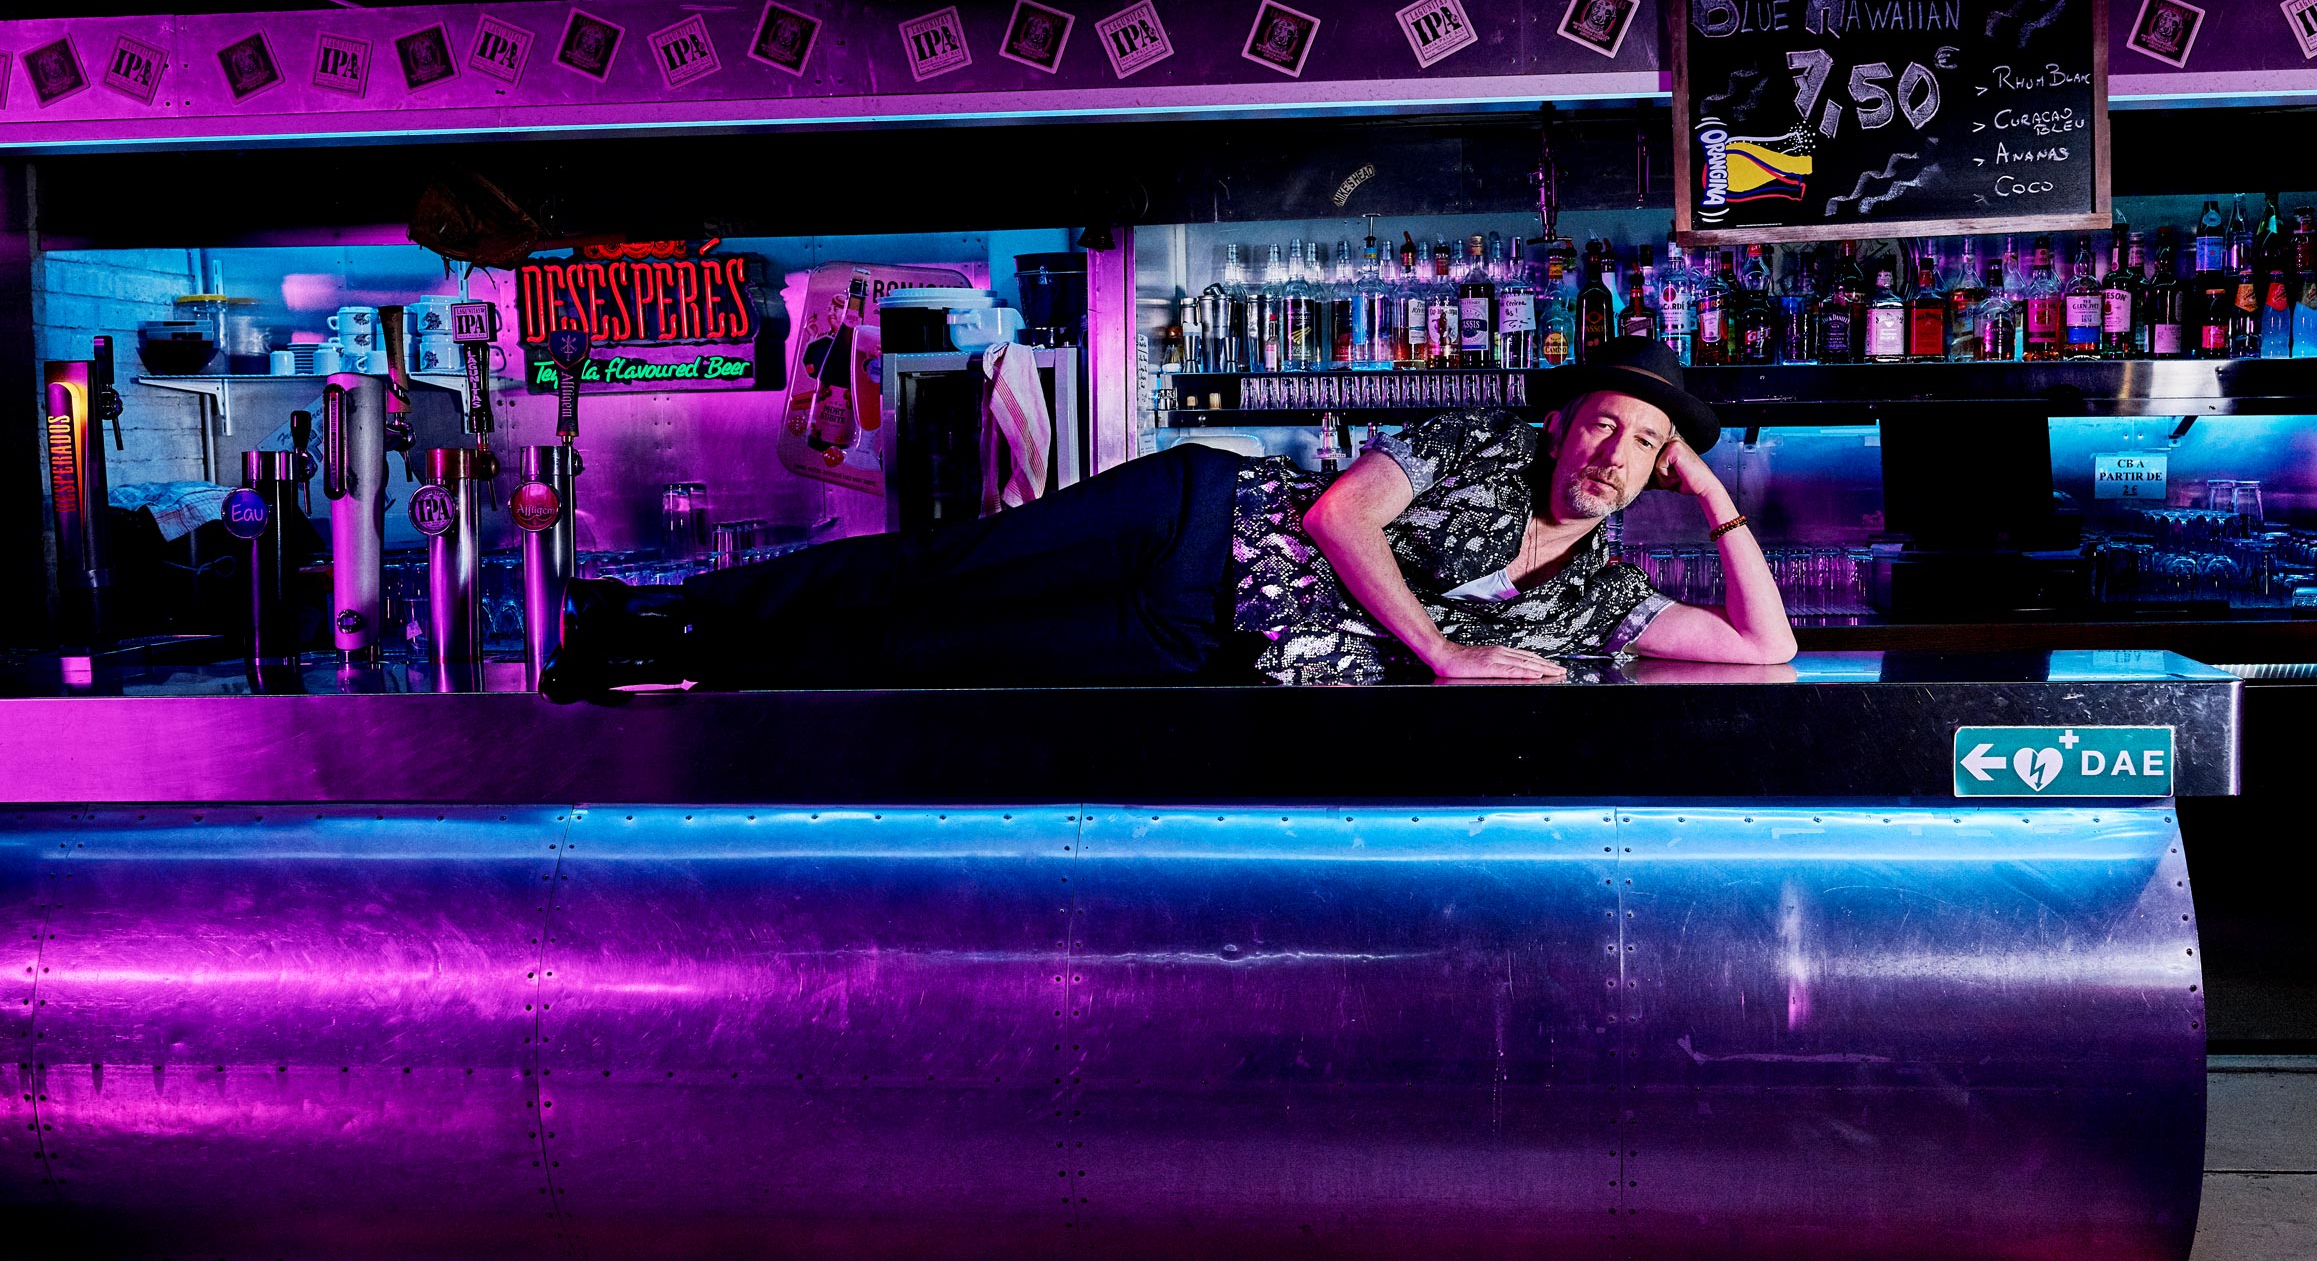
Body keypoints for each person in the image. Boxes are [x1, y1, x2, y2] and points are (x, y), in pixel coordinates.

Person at [539, 336, 1792, 701]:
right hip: (1193, 521)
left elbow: (1763, 650)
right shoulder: (1482, 445)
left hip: (1201, 643)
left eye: (1644, 444)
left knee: (933, 656)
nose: (1611, 453)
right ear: (1564, 425)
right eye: (1601, 424)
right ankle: (658, 609)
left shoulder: (1597, 596)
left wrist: (1715, 501)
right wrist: (1443, 654)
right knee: (940, 568)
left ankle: (676, 664)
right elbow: (1339, 516)